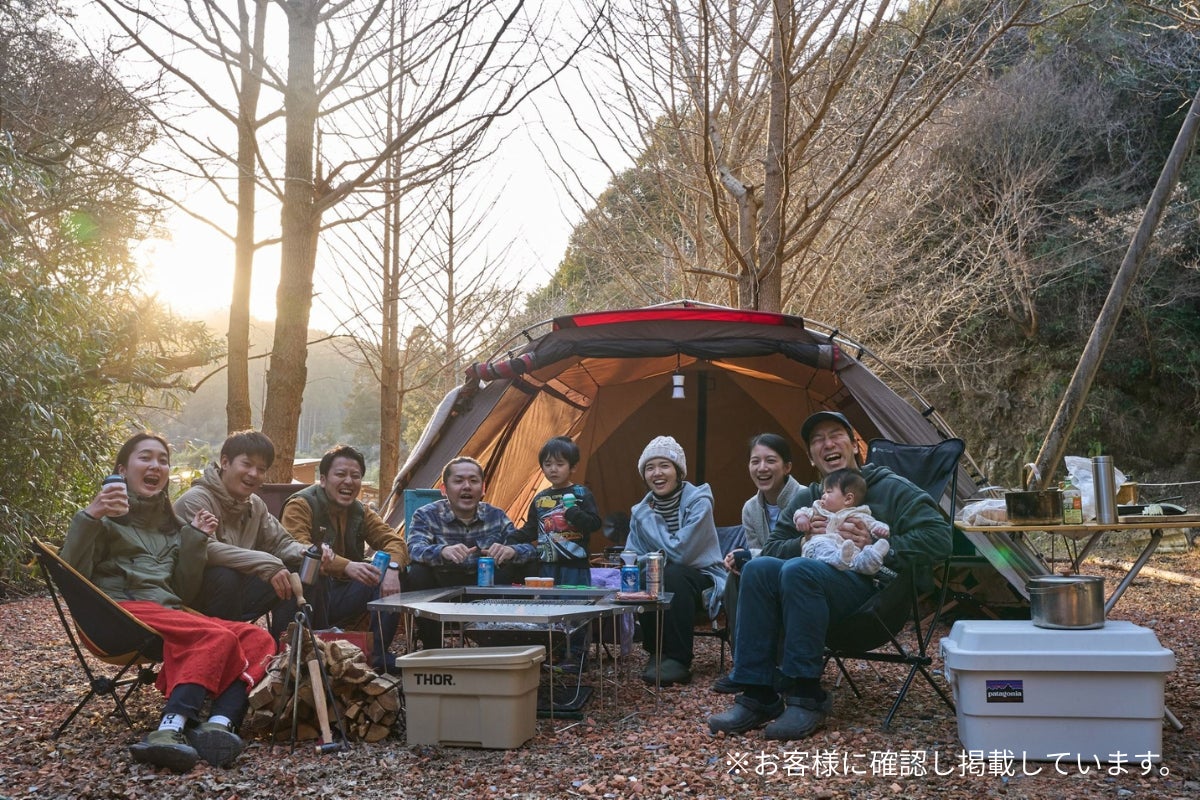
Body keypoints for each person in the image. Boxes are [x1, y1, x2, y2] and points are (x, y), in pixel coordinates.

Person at [708, 411, 951, 740]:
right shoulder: (808, 498)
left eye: (835, 435)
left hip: (875, 600)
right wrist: (803, 541)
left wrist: (882, 544)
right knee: (758, 568)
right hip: (808, 597)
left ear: (854, 446)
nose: (828, 444)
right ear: (811, 457)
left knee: (799, 569)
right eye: (817, 440)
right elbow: (772, 547)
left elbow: (940, 538)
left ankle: (807, 695)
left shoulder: (889, 487)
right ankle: (758, 694)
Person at [62, 433, 275, 772]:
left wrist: (194, 540)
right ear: (122, 469)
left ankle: (219, 724)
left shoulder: (171, 528)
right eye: (145, 457)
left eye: (163, 460)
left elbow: (183, 592)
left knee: (258, 637)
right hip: (119, 614)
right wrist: (91, 515)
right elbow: (71, 577)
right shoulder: (101, 518)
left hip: (167, 612)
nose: (156, 466)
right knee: (214, 635)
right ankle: (168, 729)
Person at [280, 444, 410, 674]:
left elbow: (395, 542)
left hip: (343, 593)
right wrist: (346, 566)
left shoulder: (360, 511)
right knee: (312, 572)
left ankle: (376, 654)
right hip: (307, 594)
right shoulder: (301, 504)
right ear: (323, 479)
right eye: (340, 474)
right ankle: (313, 652)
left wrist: (392, 568)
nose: (348, 481)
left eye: (355, 476)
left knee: (389, 576)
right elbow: (296, 547)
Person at [175, 430, 307, 637]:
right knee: (224, 576)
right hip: (191, 595)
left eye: (261, 469)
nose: (253, 474)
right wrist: (266, 562)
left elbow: (279, 543)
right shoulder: (196, 500)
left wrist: (307, 552)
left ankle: (288, 647)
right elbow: (208, 549)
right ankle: (228, 648)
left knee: (299, 571)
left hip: (236, 592)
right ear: (225, 462)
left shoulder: (255, 505)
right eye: (247, 464)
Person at [627, 435, 726, 687]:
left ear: (678, 471)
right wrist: (646, 561)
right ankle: (657, 651)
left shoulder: (699, 502)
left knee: (671, 573)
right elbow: (631, 555)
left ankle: (678, 658)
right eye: (650, 468)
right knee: (647, 573)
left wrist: (651, 522)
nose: (657, 473)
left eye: (664, 466)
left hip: (702, 577)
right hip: (664, 576)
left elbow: (683, 553)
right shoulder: (641, 510)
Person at [405, 456, 534, 647]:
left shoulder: (496, 516)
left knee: (525, 565)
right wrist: (442, 551)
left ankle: (507, 642)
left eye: (473, 481)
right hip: (442, 591)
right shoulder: (426, 515)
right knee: (417, 572)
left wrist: (510, 551)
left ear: (483, 489)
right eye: (458, 481)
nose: (467, 486)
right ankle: (433, 646)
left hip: (485, 590)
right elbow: (414, 548)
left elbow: (530, 549)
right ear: (444, 489)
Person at [713, 433, 803, 693]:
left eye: (770, 461)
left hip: (796, 572)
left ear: (787, 467)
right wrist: (740, 556)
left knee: (753, 567)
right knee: (736, 574)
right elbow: (757, 548)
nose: (762, 468)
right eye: (755, 461)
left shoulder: (805, 498)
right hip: (764, 574)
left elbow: (809, 547)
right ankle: (745, 664)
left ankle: (775, 664)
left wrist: (752, 556)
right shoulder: (750, 508)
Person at [513, 435, 603, 587]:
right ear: (542, 468)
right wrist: (508, 539)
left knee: (574, 601)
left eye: (560, 464)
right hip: (546, 567)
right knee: (548, 601)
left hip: (575, 566)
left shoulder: (581, 493)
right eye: (548, 464)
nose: (553, 469)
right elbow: (531, 529)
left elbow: (595, 523)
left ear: (573, 467)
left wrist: (573, 513)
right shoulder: (540, 498)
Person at [795, 468, 890, 575]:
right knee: (821, 544)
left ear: (848, 499)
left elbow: (873, 523)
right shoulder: (819, 509)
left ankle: (871, 559)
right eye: (823, 492)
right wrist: (801, 518)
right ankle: (837, 559)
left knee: (857, 556)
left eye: (828, 492)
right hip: (820, 551)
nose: (823, 496)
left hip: (847, 553)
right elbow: (803, 511)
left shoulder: (858, 514)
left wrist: (881, 529)